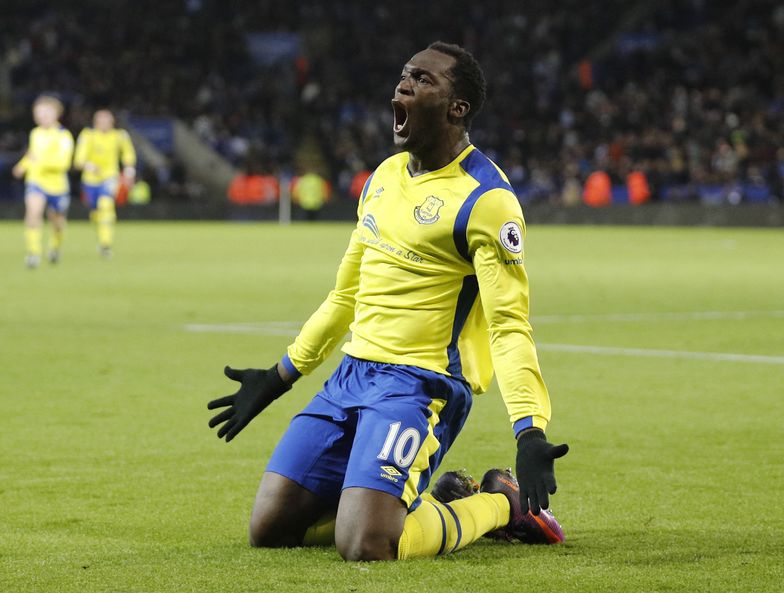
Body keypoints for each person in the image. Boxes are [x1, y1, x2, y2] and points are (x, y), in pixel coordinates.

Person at [208, 42, 569, 561]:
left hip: (419, 386)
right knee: (269, 529)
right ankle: (416, 502)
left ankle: (499, 504)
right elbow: (345, 297)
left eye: (422, 80)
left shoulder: (486, 200)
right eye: (404, 75)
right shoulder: (382, 178)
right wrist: (279, 375)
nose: (404, 86)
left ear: (457, 108)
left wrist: (529, 428)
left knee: (366, 544)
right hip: (351, 376)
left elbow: (510, 325)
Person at [12, 95, 75, 268]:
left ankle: (55, 248)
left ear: (57, 114)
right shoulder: (36, 133)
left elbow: (64, 163)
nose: (41, 116)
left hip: (57, 185)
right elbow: (32, 155)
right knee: (33, 213)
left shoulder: (64, 136)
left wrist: (41, 162)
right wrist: (22, 166)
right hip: (36, 181)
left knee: (58, 222)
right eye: (38, 112)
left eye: (46, 112)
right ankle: (33, 253)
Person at [73, 109, 137, 258]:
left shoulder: (119, 136)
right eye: (101, 120)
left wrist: (129, 172)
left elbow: (128, 155)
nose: (104, 123)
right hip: (90, 180)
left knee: (106, 205)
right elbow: (78, 160)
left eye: (107, 120)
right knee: (96, 212)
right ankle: (101, 231)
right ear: (95, 122)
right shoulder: (88, 136)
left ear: (112, 122)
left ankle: (105, 244)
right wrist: (88, 165)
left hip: (109, 177)